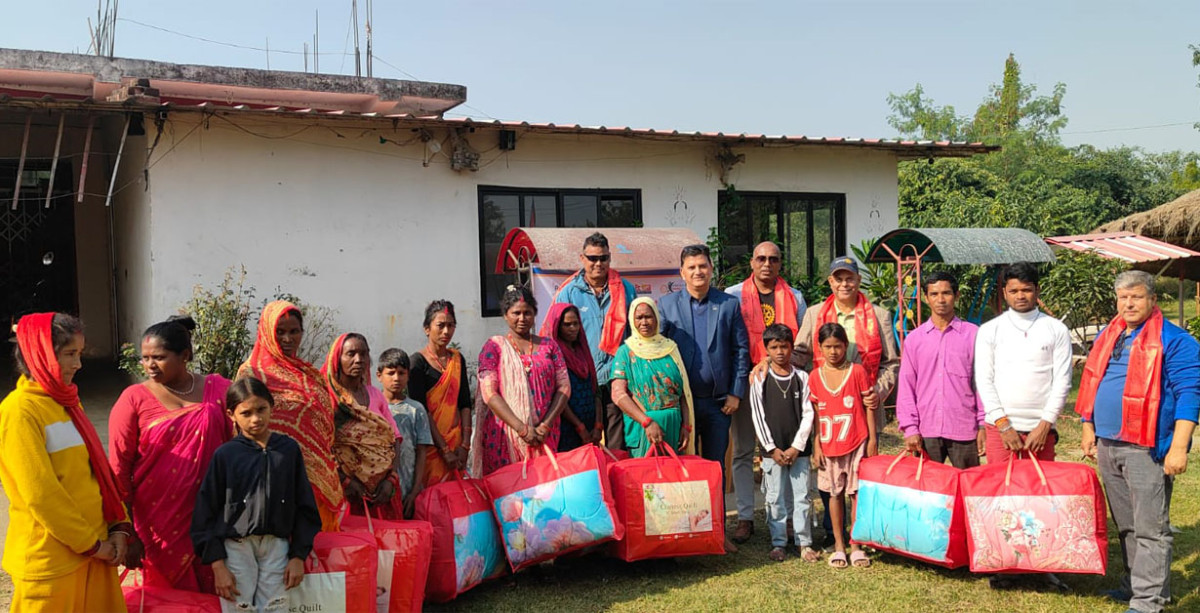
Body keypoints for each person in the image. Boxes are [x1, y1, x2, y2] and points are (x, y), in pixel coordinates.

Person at [1077, 271, 1199, 613]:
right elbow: (1093, 381)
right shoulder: (1109, 335)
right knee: (1127, 524)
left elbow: (1190, 394)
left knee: (1150, 528)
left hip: (1147, 447)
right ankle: (1134, 585)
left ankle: (1150, 601)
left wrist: (1179, 446)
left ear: (1152, 300)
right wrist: (1088, 427)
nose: (1128, 304)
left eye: (1137, 297)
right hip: (1109, 443)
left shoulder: (1175, 340)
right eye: (1123, 298)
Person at [0, 313, 131, 612]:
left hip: (96, 549)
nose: (78, 364)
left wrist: (118, 526)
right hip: (53, 560)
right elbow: (42, 495)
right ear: (40, 354)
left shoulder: (67, 401)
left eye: (79, 354)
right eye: (69, 354)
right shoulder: (20, 412)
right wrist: (93, 545)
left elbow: (96, 473)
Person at [108, 316, 232, 592]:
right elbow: (119, 469)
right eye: (145, 358)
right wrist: (128, 533)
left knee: (217, 591)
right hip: (158, 523)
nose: (150, 365)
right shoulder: (133, 399)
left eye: (159, 357)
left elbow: (243, 443)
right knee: (168, 597)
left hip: (214, 516)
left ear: (185, 355)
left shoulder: (219, 390)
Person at [192, 377, 321, 613]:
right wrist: (218, 565)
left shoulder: (288, 450)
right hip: (236, 547)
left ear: (272, 406)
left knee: (276, 608)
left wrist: (298, 556)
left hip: (277, 547)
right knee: (238, 607)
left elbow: (305, 505)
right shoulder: (226, 455)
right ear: (232, 415)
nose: (256, 419)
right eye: (246, 413)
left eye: (261, 409)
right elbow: (205, 510)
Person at [658, 244, 749, 553]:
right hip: (679, 406)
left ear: (712, 269)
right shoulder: (667, 306)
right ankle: (683, 532)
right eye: (692, 267)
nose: (698, 271)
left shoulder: (728, 305)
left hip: (717, 403)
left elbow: (740, 351)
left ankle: (717, 532)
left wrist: (737, 392)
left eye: (703, 266)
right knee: (682, 466)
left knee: (714, 468)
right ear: (681, 272)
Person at [726, 240, 808, 544]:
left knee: (780, 450)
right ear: (751, 262)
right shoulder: (733, 296)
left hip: (783, 387)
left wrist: (775, 363)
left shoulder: (794, 298)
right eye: (761, 258)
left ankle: (784, 516)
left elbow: (800, 345)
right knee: (744, 450)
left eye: (773, 259)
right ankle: (746, 516)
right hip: (747, 382)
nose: (767, 264)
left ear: (780, 263)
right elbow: (731, 342)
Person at [238, 300, 344, 530]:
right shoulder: (252, 374)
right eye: (280, 331)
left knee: (319, 554)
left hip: (319, 477)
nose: (287, 339)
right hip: (274, 478)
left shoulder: (308, 374)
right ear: (266, 332)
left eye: (294, 331)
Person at [974, 262, 1072, 464]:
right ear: (1004, 292)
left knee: (1039, 492)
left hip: (1042, 430)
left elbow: (1062, 382)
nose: (1020, 296)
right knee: (1001, 490)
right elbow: (984, 381)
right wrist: (1004, 426)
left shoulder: (1056, 329)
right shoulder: (989, 329)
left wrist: (1045, 426)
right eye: (1014, 290)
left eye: (1027, 290)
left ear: (1038, 290)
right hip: (1000, 429)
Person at [472, 286, 570, 476]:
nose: (522, 318)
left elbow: (564, 387)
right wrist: (521, 428)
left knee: (545, 488)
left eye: (528, 313)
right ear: (505, 316)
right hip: (504, 437)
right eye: (516, 313)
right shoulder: (494, 347)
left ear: (535, 314)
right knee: (509, 494)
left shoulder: (549, 346)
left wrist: (545, 425)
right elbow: (489, 394)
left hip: (545, 434)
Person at [553, 232, 638, 450]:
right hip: (581, 381)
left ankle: (614, 482)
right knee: (581, 445)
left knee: (616, 445)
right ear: (582, 259)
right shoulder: (568, 292)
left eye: (603, 258)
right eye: (592, 258)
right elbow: (559, 338)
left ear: (610, 258)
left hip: (616, 378)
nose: (598, 263)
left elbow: (635, 333)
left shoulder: (626, 289)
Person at [792, 257, 899, 429]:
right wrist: (770, 360)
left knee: (867, 455)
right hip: (827, 405)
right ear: (830, 281)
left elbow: (891, 363)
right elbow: (800, 354)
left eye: (850, 279)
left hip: (865, 403)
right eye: (839, 279)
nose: (844, 285)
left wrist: (877, 392)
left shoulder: (879, 315)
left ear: (859, 280)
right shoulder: (814, 314)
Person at [895, 271, 985, 469]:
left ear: (957, 295)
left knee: (966, 490)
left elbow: (982, 384)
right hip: (926, 430)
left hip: (964, 428)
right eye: (934, 294)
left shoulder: (974, 335)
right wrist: (910, 428)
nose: (941, 299)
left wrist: (982, 424)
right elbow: (907, 386)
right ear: (926, 298)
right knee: (927, 494)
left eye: (946, 293)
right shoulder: (915, 339)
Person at [809, 323, 877, 569]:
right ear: (820, 348)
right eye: (828, 347)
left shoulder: (857, 371)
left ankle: (856, 544)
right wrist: (816, 444)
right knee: (834, 494)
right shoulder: (815, 377)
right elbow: (816, 414)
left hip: (856, 441)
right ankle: (839, 544)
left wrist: (872, 440)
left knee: (855, 493)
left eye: (838, 346)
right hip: (829, 445)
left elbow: (869, 406)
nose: (833, 352)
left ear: (846, 346)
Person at [748, 324, 816, 563]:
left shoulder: (802, 378)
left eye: (784, 347)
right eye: (774, 347)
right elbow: (758, 415)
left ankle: (804, 542)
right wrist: (771, 448)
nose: (780, 352)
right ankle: (778, 542)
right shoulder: (760, 379)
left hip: (800, 451)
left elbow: (808, 414)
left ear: (791, 348)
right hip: (772, 452)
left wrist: (797, 446)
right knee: (775, 497)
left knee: (802, 496)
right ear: (766, 349)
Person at [322, 333, 405, 519]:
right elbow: (322, 447)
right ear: (337, 358)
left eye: (363, 354)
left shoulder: (375, 394)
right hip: (346, 494)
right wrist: (346, 482)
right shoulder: (329, 399)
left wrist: (391, 480)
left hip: (382, 494)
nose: (358, 360)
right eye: (350, 354)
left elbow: (395, 439)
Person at [610, 297, 695, 457]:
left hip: (673, 425)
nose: (644, 322)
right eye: (639, 317)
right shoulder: (625, 352)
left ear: (656, 317)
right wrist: (646, 422)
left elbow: (683, 392)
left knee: (671, 478)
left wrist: (686, 425)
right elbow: (618, 394)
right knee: (644, 478)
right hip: (642, 426)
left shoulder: (670, 348)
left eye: (648, 316)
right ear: (631, 320)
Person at [408, 300, 473, 486]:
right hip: (431, 446)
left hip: (457, 444)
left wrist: (465, 445)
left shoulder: (457, 359)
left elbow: (465, 404)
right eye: (441, 325)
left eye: (451, 325)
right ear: (427, 329)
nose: (446, 331)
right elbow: (421, 411)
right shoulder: (417, 363)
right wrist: (444, 450)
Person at [377, 348, 434, 518]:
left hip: (408, 489)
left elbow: (422, 452)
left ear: (408, 376)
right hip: (379, 489)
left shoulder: (416, 409)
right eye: (391, 373)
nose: (396, 378)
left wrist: (415, 491)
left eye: (401, 373)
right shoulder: (372, 407)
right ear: (379, 375)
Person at [540, 303, 605, 451]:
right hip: (566, 428)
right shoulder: (553, 356)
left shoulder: (583, 352)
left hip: (590, 427)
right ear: (557, 326)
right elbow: (559, 395)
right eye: (567, 324)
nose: (573, 328)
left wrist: (598, 425)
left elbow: (595, 390)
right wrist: (579, 427)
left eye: (576, 323)